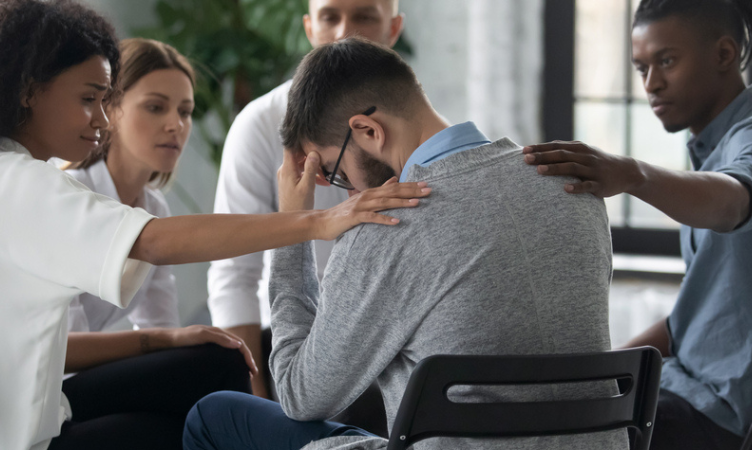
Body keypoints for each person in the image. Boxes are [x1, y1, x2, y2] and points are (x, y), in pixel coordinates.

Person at [0, 1, 428, 449]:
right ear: (27, 90)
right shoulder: (16, 184)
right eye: (89, 100)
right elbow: (153, 243)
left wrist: (164, 338)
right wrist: (316, 219)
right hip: (3, 434)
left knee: (206, 386)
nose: (102, 121)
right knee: (209, 391)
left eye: (105, 102)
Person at [183, 37, 626, 450]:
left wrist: (294, 225)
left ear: (368, 131)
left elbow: (300, 396)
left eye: (335, 172)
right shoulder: (572, 184)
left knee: (214, 414)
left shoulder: (386, 225)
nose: (347, 190)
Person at [523, 1, 752, 449]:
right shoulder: (714, 149)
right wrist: (575, 375)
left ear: (724, 54)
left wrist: (632, 174)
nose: (651, 84)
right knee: (531, 411)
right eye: (641, 67)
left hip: (734, 420)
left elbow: (733, 203)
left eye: (666, 61)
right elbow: (690, 326)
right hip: (687, 394)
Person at [49, 38, 256, 448]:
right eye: (156, 107)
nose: (176, 125)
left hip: (86, 387)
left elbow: (160, 321)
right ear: (113, 108)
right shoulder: (69, 199)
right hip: (49, 396)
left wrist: (174, 345)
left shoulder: (153, 208)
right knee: (219, 367)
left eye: (185, 112)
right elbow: (64, 351)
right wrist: (169, 345)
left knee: (196, 410)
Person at [207, 0, 405, 399]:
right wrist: (257, 396)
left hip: (394, 351)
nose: (344, 32)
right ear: (309, 28)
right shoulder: (260, 124)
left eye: (365, 16)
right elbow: (234, 272)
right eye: (330, 16)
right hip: (287, 348)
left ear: (393, 30)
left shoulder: (413, 123)